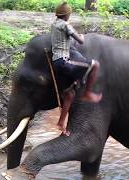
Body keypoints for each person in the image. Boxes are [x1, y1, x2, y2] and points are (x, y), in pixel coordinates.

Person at [51, 2, 102, 135]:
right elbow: (80, 41)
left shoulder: (54, 25)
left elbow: (64, 41)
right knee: (94, 65)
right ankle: (88, 92)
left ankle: (60, 123)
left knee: (69, 95)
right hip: (64, 62)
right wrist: (81, 36)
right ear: (67, 15)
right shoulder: (66, 25)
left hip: (56, 62)